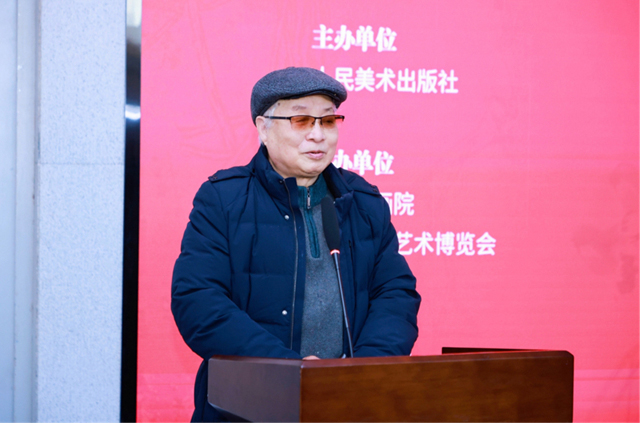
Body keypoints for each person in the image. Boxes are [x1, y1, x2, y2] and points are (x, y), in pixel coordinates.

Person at [171, 67, 421, 422]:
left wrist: (361, 372)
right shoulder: (223, 200)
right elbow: (198, 301)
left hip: (348, 404)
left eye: (328, 121)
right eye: (301, 120)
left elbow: (395, 295)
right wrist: (291, 369)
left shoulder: (363, 202)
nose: (318, 135)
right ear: (263, 128)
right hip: (245, 407)